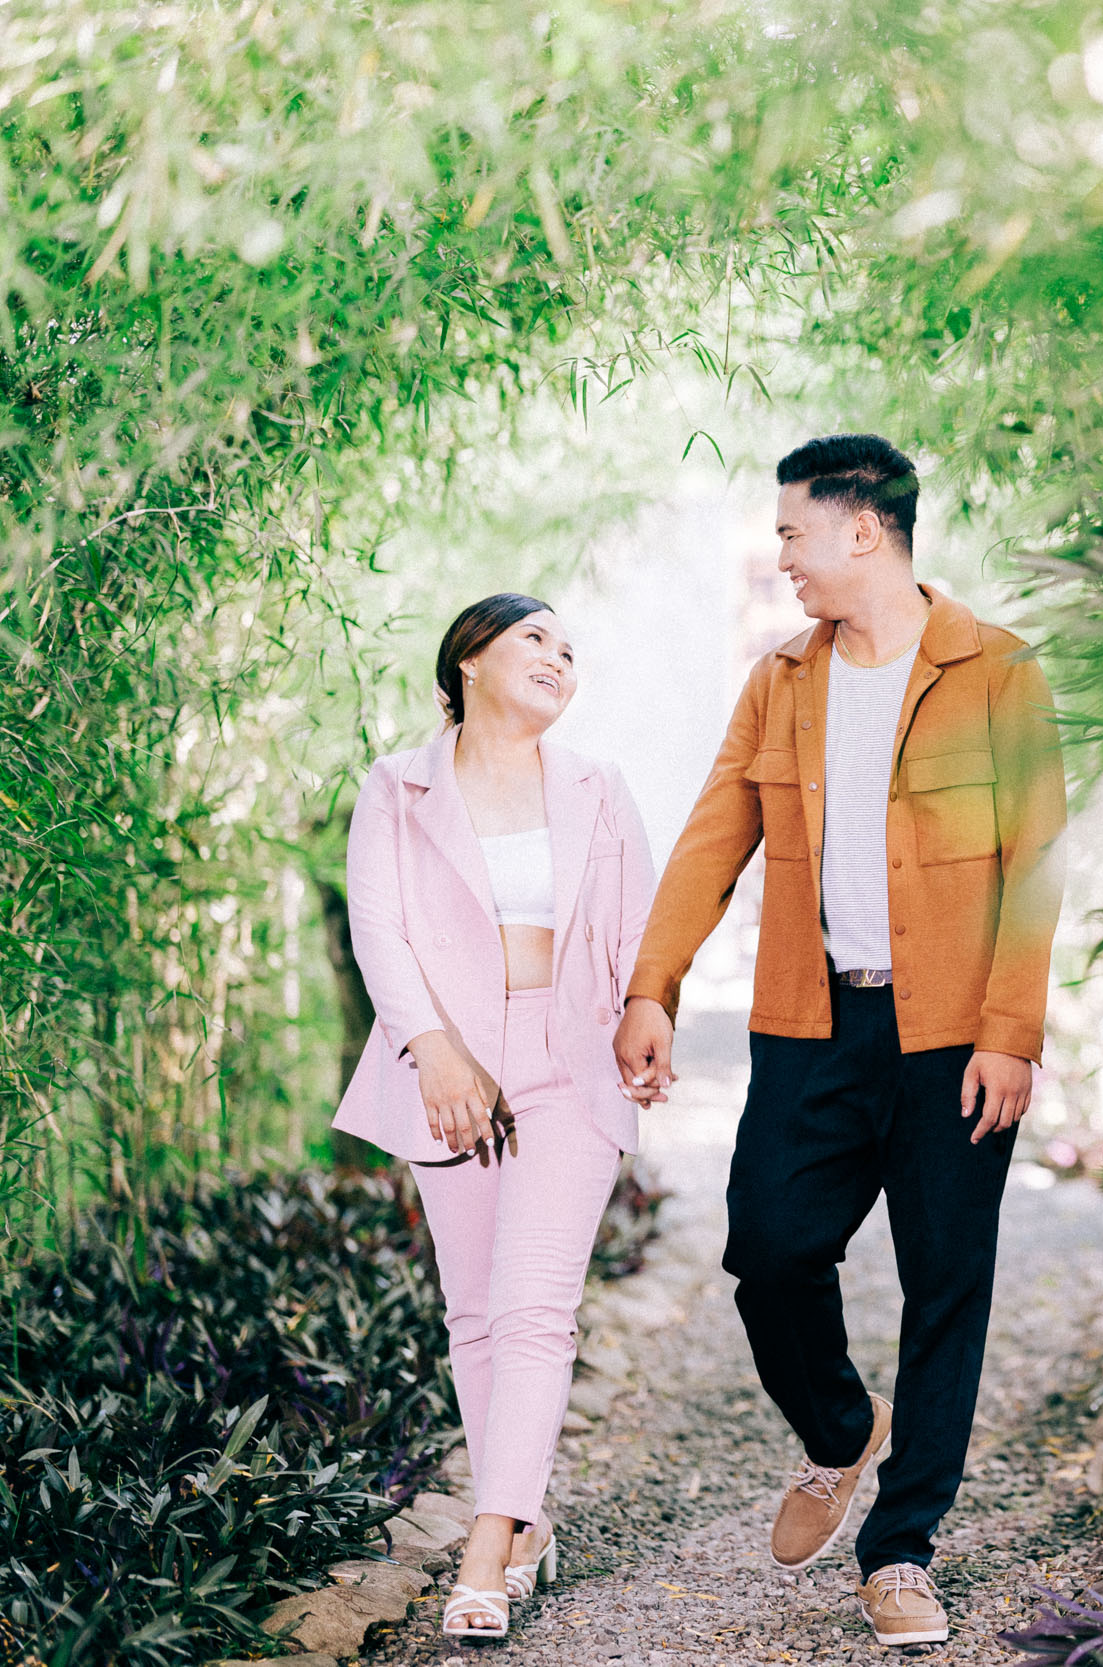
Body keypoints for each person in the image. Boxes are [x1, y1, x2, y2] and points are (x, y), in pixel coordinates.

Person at [612, 434, 1066, 1649]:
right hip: (811, 1024)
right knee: (767, 1246)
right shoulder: (780, 681)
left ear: (863, 529)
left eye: (792, 534)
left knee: (945, 1283)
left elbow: (1037, 860)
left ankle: (901, 1548)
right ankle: (838, 1428)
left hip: (953, 1034)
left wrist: (1011, 1030)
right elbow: (713, 837)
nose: (783, 559)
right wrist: (652, 985)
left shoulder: (997, 671)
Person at [336, 594, 656, 1642]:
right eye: (535, 639)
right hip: (450, 1059)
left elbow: (640, 932)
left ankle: (486, 1545)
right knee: (472, 1311)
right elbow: (379, 925)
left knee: (533, 1309)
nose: (559, 657)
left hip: (570, 1057)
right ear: (469, 659)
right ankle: (522, 1521)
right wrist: (432, 1048)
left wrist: (650, 1017)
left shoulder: (598, 786)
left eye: (570, 649)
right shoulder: (398, 784)